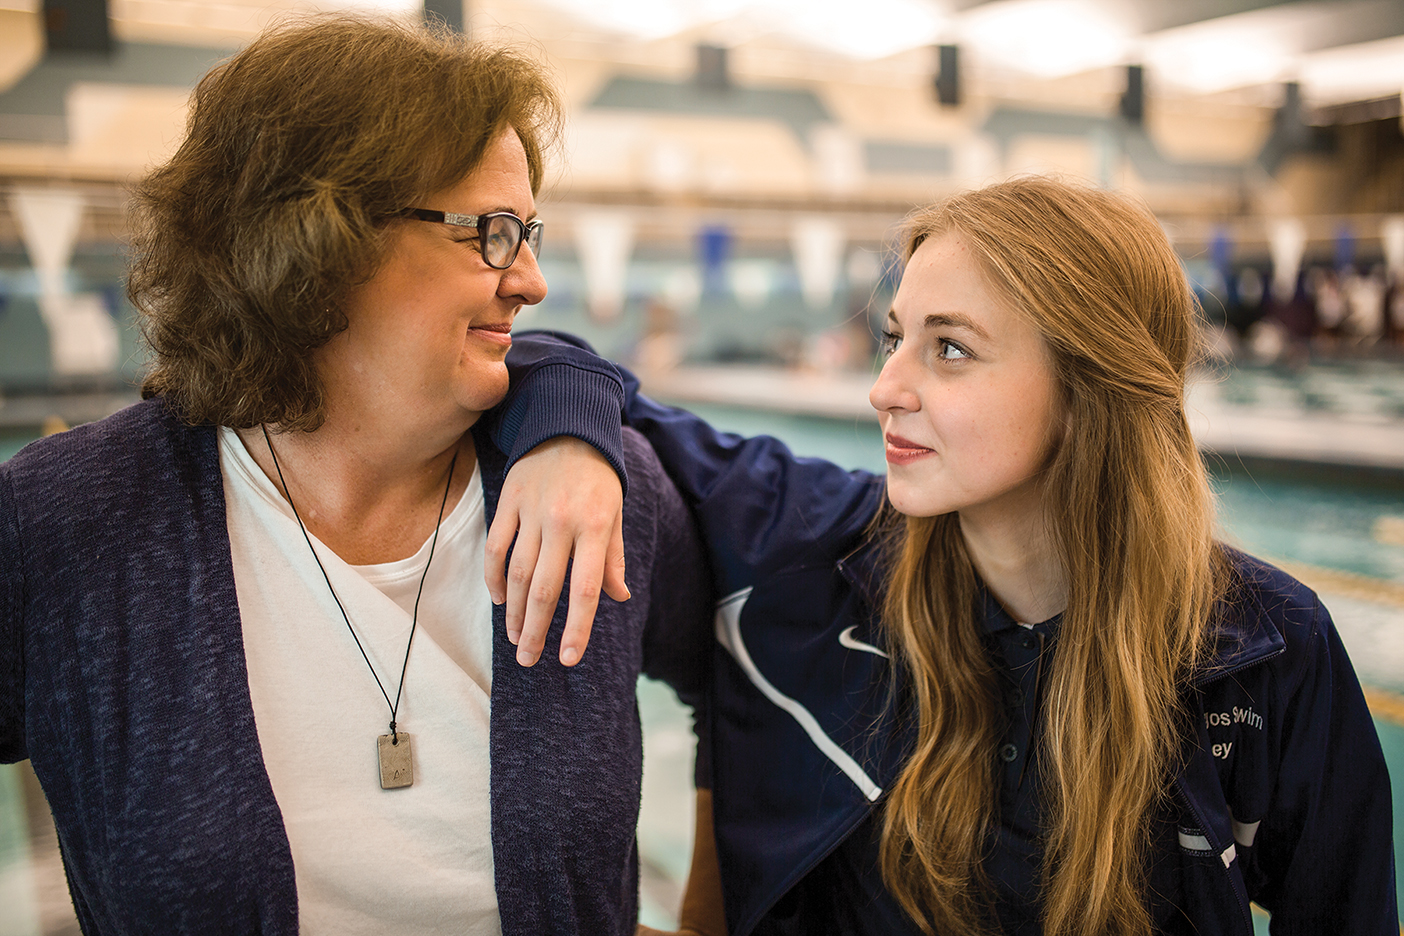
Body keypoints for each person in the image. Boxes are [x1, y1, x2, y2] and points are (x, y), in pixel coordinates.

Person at [506, 177, 1397, 935]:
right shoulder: (820, 545)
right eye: (896, 338)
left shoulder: (1262, 649)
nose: (884, 387)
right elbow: (555, 364)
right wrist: (570, 442)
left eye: (950, 349)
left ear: (1090, 389)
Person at [0, 16, 710, 935]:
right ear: (321, 242)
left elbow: (750, 663)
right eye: (493, 233)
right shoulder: (72, 525)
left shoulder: (595, 493)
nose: (531, 279)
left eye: (529, 231)